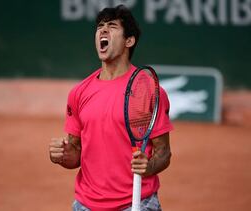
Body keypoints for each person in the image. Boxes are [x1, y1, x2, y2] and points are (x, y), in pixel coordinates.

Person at [49, 5, 173, 211]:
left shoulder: (148, 90)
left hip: (136, 202)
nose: (103, 30)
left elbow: (164, 152)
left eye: (112, 26)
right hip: (86, 204)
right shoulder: (79, 92)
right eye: (100, 27)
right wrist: (62, 155)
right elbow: (76, 154)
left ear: (129, 40)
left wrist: (149, 166)